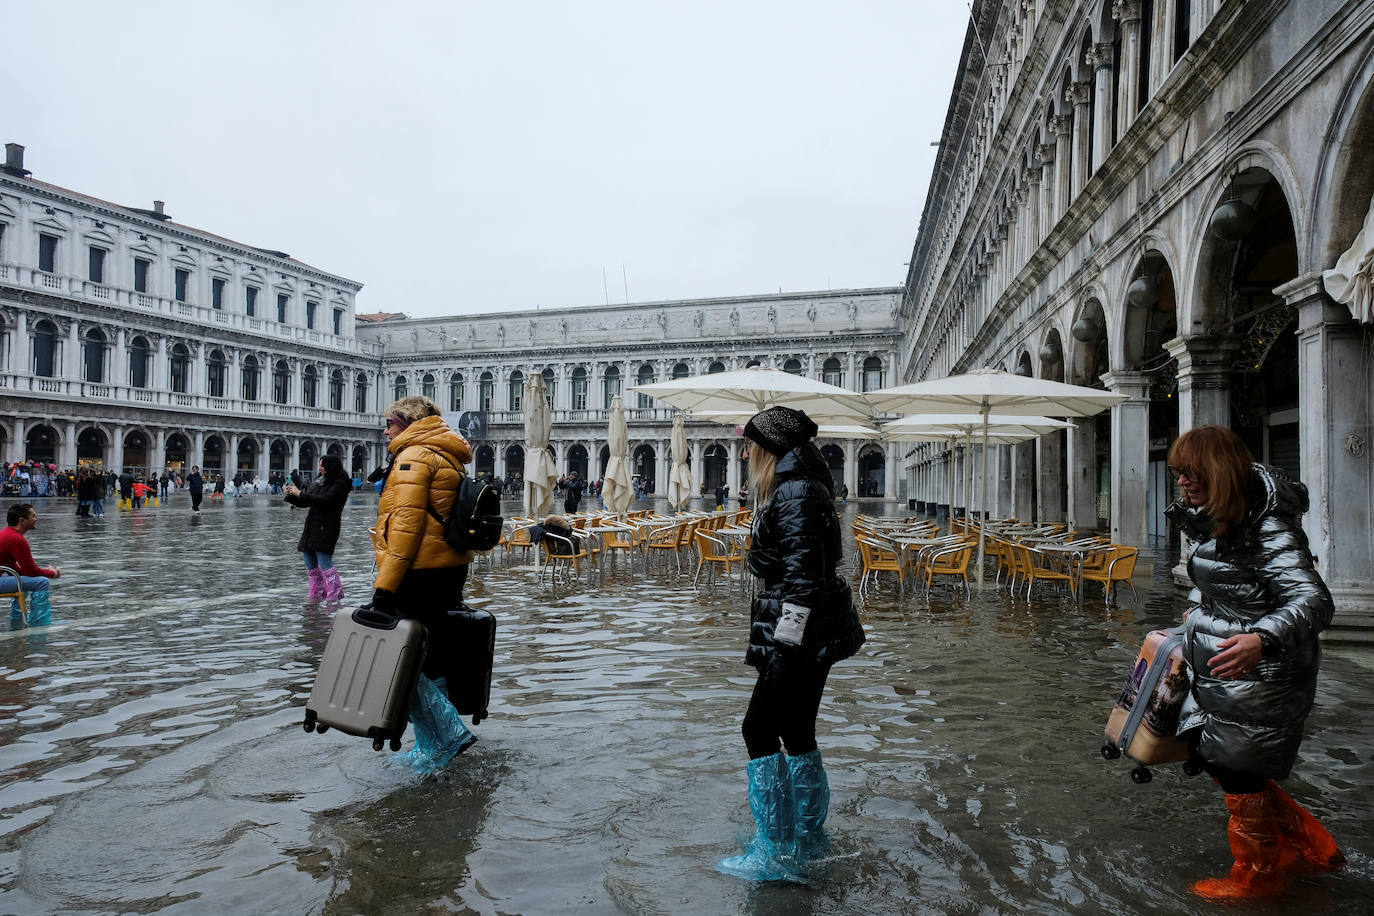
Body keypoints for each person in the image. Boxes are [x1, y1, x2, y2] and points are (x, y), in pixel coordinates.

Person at [1164, 425, 1343, 900]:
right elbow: (1230, 581)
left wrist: (1261, 640)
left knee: (1237, 769)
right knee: (1217, 759)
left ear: (1218, 471)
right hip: (1228, 670)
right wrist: (1202, 607)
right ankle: (1309, 851)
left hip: (1261, 674)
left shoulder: (1268, 526)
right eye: (1178, 474)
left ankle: (1258, 877)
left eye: (1190, 473)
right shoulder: (1222, 520)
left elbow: (1312, 599)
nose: (1181, 483)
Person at [716, 407, 866, 883]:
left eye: (749, 443)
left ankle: (776, 853)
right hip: (815, 633)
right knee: (798, 733)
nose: (743, 451)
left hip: (798, 636)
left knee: (757, 731)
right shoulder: (802, 485)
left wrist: (783, 648)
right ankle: (805, 835)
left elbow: (800, 581)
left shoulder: (794, 491)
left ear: (769, 448)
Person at [371, 396, 478, 774]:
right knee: (431, 658)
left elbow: (405, 528)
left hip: (417, 572)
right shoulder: (447, 453)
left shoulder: (414, 457)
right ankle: (431, 747)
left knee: (402, 659)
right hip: (448, 569)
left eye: (389, 423)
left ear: (406, 423)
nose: (385, 431)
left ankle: (446, 735)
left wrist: (384, 590)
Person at [284, 455, 351, 602]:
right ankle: (316, 597)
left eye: (322, 465)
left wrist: (300, 493)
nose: (319, 468)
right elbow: (306, 502)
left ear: (330, 466)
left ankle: (334, 598)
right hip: (312, 527)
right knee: (311, 566)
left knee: (325, 563)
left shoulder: (340, 484)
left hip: (326, 528)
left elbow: (324, 501)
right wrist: (291, 496)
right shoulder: (321, 482)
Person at [1, 503, 61, 628]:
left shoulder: (5, 534)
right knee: (42, 582)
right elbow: (30, 570)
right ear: (22, 521)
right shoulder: (17, 539)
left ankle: (17, 620)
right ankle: (40, 624)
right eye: (33, 516)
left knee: (28, 580)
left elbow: (15, 568)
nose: (36, 519)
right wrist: (51, 573)